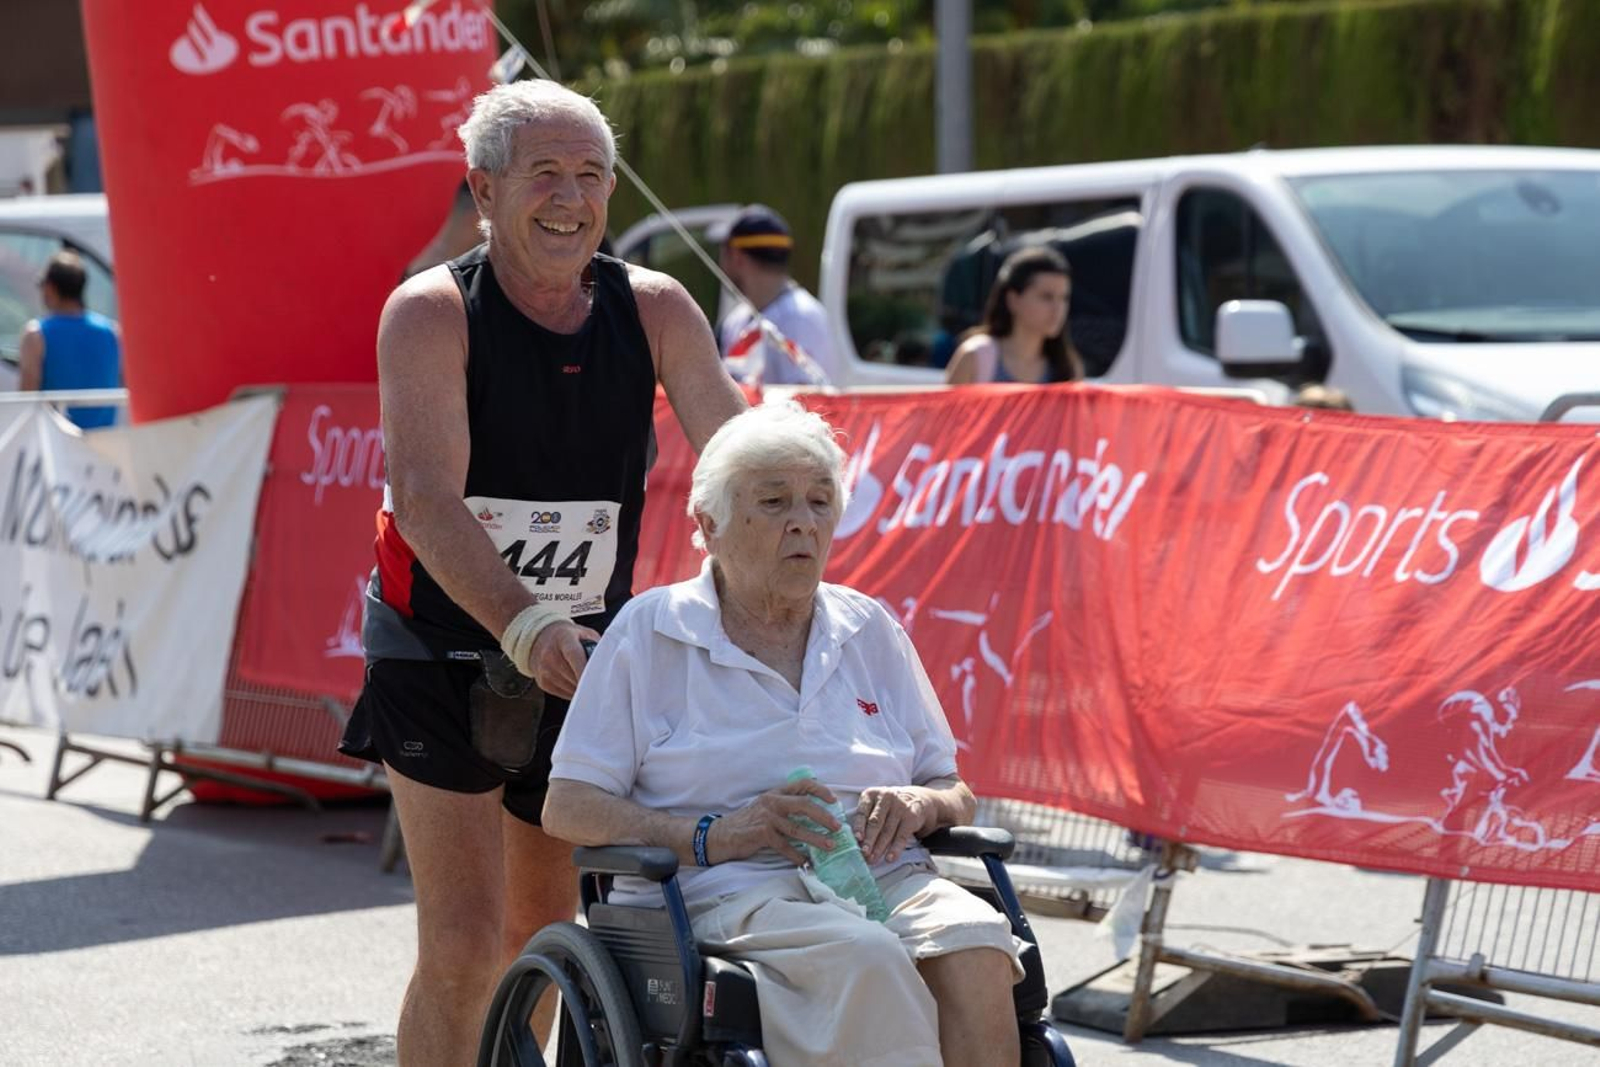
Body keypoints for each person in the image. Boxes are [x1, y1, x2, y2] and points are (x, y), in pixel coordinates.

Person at [337, 80, 746, 1067]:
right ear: (483, 187)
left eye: (591, 175)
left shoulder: (654, 309)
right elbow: (428, 498)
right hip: (440, 653)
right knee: (465, 944)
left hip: (584, 660)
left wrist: (797, 492)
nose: (571, 196)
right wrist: (525, 625)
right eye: (545, 174)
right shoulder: (430, 314)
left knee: (539, 936)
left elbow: (739, 456)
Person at [543, 400, 1024, 1067]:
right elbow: (567, 804)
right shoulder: (651, 632)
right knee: (867, 956)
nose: (803, 521)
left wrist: (921, 804)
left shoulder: (868, 626)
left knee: (975, 938)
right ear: (709, 524)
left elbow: (952, 787)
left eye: (820, 501)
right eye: (774, 502)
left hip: (880, 875)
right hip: (726, 891)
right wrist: (711, 835)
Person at [713, 204, 837, 384]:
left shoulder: (799, 318)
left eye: (723, 251)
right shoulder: (735, 322)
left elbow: (805, 403)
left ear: (736, 256)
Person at [944, 246, 1082, 385]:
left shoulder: (1068, 368)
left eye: (1064, 298)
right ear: (1013, 300)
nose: (1058, 309)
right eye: (1046, 297)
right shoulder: (974, 356)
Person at [18, 251, 121, 429]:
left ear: (50, 287)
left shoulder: (35, 335)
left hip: (57, 448)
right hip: (106, 445)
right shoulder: (113, 333)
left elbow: (27, 402)